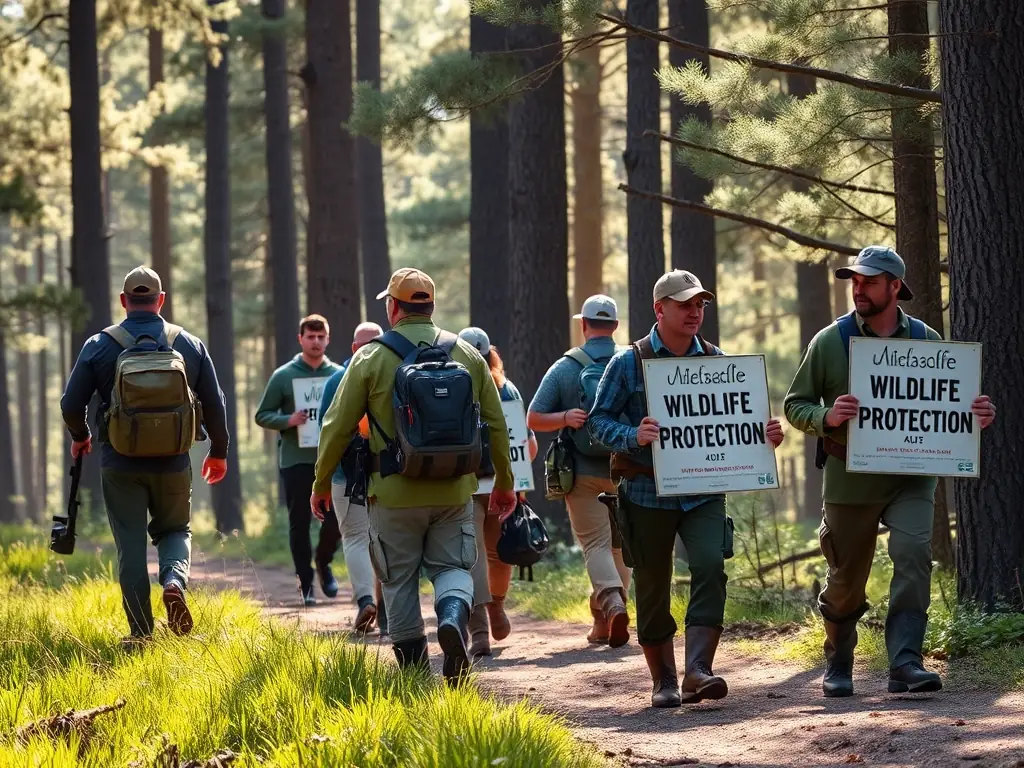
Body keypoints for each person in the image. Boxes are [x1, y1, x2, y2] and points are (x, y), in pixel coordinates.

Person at [784, 245, 996, 697]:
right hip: (849, 478)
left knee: (914, 555)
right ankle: (839, 662)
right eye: (854, 281)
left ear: (895, 287)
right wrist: (827, 418)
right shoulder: (830, 341)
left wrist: (976, 412)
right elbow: (794, 405)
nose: (858, 289)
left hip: (912, 477)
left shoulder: (928, 342)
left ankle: (905, 664)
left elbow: (952, 407)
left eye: (869, 281)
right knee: (845, 578)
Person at [310, 267, 517, 685]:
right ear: (432, 306)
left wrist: (321, 484)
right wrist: (506, 484)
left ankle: (417, 678)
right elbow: (497, 423)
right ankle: (453, 619)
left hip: (392, 494)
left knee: (399, 578)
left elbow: (336, 426)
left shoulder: (370, 357)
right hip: (455, 490)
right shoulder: (468, 354)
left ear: (393, 308)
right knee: (453, 568)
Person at [588, 270, 785, 708]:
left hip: (704, 492)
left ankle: (699, 669)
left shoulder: (719, 362)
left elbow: (739, 423)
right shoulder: (629, 361)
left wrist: (765, 434)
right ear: (660, 309)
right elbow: (597, 421)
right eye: (685, 304)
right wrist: (632, 435)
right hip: (645, 493)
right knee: (653, 582)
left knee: (711, 565)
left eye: (700, 305)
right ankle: (663, 680)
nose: (695, 312)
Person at [60, 266, 230, 647]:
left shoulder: (99, 346)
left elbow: (71, 404)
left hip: (119, 463)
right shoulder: (188, 344)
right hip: (173, 461)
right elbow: (216, 405)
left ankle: (140, 634)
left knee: (131, 543)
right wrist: (218, 452)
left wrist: (81, 435)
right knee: (175, 530)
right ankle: (173, 581)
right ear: (161, 301)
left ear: (123, 301)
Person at [527, 294, 633, 648]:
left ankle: (612, 604)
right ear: (615, 327)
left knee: (595, 545)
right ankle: (606, 619)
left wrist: (565, 418)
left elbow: (534, 418)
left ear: (584, 325)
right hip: (627, 466)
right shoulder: (632, 362)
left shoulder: (565, 368)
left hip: (582, 472)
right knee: (621, 547)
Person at [458, 326, 539, 657]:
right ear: (492, 353)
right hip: (504, 484)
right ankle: (498, 607)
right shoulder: (509, 391)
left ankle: (479, 632)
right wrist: (516, 479)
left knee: (472, 556)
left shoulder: (452, 386)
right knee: (498, 552)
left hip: (464, 482)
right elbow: (529, 445)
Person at [255, 314, 343, 606]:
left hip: (332, 460)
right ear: (300, 339)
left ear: (328, 339)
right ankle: (305, 583)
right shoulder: (284, 375)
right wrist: (288, 420)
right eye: (310, 337)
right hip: (296, 460)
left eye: (321, 337)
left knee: (336, 519)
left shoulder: (338, 374)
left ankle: (324, 561)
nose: (316, 342)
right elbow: (262, 415)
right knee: (300, 523)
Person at [318, 321, 384, 633]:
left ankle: (365, 601)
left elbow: (326, 434)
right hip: (389, 475)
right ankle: (389, 611)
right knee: (387, 540)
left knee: (356, 539)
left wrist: (322, 480)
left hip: (347, 476)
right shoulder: (394, 375)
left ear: (353, 348)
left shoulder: (336, 381)